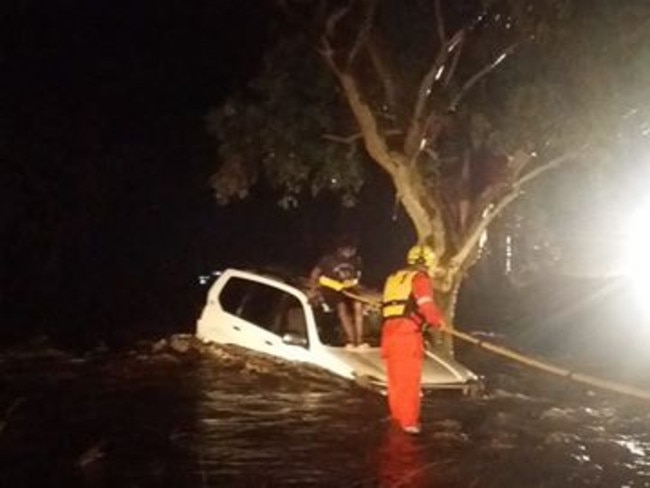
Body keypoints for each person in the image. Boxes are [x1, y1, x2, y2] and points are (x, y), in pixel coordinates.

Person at [380, 244, 447, 434]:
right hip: (406, 334)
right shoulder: (420, 278)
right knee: (409, 381)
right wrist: (439, 322)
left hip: (389, 333)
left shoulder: (393, 277)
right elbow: (426, 305)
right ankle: (409, 422)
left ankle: (397, 417)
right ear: (428, 263)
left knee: (395, 380)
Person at [309, 235, 366, 349]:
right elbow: (315, 274)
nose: (351, 252)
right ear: (340, 249)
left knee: (358, 306)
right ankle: (351, 340)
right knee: (342, 308)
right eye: (348, 249)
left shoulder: (356, 260)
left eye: (353, 249)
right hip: (332, 290)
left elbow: (358, 276)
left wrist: (354, 283)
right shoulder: (328, 260)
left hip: (349, 289)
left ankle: (360, 341)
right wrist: (314, 289)